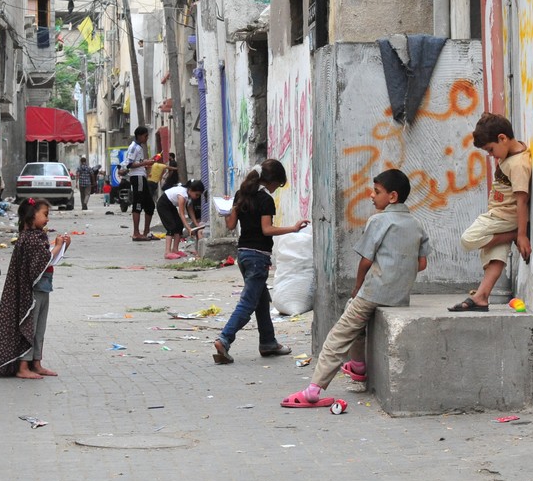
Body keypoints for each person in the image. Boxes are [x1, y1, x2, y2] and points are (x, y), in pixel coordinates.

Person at [281, 169, 430, 407]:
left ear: (392, 196)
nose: (371, 195)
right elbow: (421, 264)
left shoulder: (378, 221)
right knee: (357, 322)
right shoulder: (417, 224)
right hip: (399, 296)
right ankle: (358, 366)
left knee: (338, 337)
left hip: (372, 293)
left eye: (377, 192)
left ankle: (313, 391)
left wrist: (357, 286)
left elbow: (366, 261)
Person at [212, 159, 308, 365]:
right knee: (248, 302)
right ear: (271, 180)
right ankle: (224, 339)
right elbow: (267, 229)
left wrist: (228, 209)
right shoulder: (265, 200)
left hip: (243, 255)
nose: (276, 189)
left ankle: (268, 342)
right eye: (278, 184)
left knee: (262, 301)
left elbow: (230, 225)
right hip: (258, 257)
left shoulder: (241, 195)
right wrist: (293, 228)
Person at [0, 198, 71, 379]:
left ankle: (36, 363)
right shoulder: (29, 238)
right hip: (33, 291)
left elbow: (48, 258)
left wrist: (63, 246)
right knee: (30, 327)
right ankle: (23, 366)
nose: (47, 219)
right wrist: (58, 246)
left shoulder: (37, 236)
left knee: (40, 329)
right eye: (45, 214)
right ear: (32, 215)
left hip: (44, 287)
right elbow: (44, 259)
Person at [449, 112, 531, 312]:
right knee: (495, 256)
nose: (492, 155)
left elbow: (522, 200)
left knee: (468, 239)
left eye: (491, 150)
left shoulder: (518, 164)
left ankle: (511, 235)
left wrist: (520, 235)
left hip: (504, 217)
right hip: (501, 216)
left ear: (503, 138)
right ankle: (481, 297)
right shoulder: (509, 154)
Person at [123, 126, 158, 240]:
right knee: (137, 204)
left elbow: (137, 162)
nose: (147, 138)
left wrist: (145, 163)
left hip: (141, 176)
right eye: (145, 136)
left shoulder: (139, 147)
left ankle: (146, 232)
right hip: (137, 177)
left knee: (150, 205)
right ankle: (136, 233)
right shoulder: (134, 148)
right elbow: (129, 164)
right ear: (139, 136)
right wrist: (144, 163)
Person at [157, 180, 205, 259]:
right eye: (196, 194)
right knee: (171, 227)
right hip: (163, 205)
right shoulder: (182, 196)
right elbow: (181, 214)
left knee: (179, 226)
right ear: (190, 190)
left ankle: (175, 249)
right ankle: (167, 252)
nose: (197, 197)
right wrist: (188, 228)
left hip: (171, 205)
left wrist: (196, 223)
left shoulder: (189, 197)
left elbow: (190, 210)